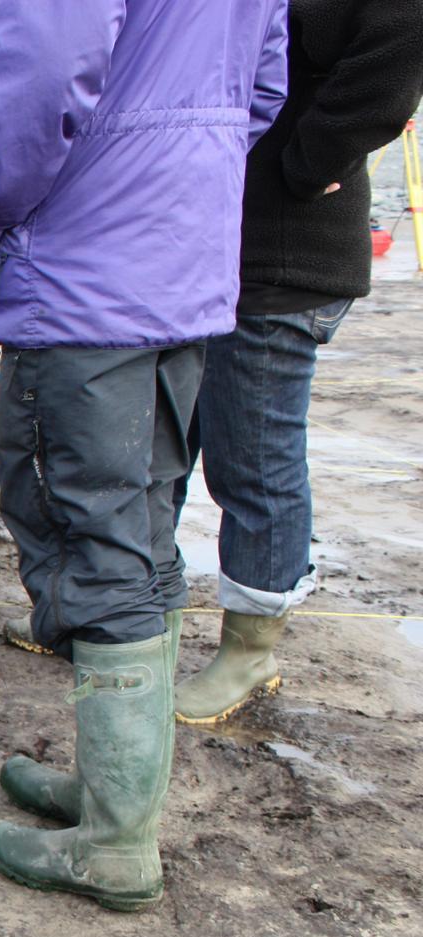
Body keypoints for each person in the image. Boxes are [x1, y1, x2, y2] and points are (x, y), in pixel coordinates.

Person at [0, 0, 288, 911]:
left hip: (84, 271)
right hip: (182, 258)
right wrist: (181, 175)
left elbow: (39, 75)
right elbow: (263, 81)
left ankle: (117, 844)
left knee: (91, 535)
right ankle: (112, 792)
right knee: (144, 523)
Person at [167, 0, 423, 725]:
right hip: (209, 248)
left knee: (252, 460)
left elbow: (394, 55)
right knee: (168, 436)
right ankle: (137, 625)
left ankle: (250, 653)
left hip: (284, 252)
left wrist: (302, 166)